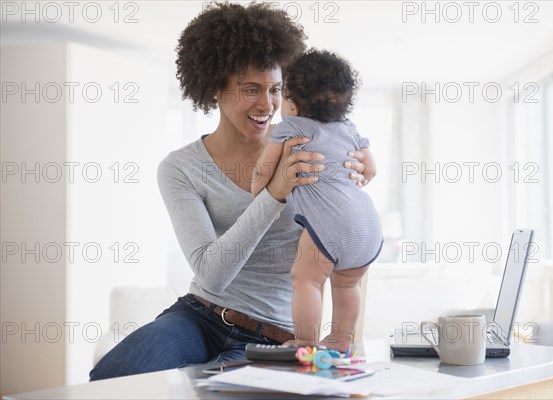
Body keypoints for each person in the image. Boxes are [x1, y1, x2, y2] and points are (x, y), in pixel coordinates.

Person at [89, 3, 367, 380]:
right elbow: (211, 274)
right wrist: (274, 193)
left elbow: (348, 250)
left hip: (279, 336)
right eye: (250, 89)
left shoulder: (308, 150)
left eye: (275, 90)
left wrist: (348, 340)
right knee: (115, 375)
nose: (266, 105)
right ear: (214, 88)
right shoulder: (181, 168)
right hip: (199, 315)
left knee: (220, 390)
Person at [251, 49, 383, 352]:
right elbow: (371, 170)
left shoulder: (291, 127)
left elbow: (263, 172)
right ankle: (340, 339)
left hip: (329, 224)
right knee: (347, 284)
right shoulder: (349, 129)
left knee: (306, 280)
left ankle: (305, 340)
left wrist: (259, 187)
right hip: (367, 224)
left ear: (293, 105)